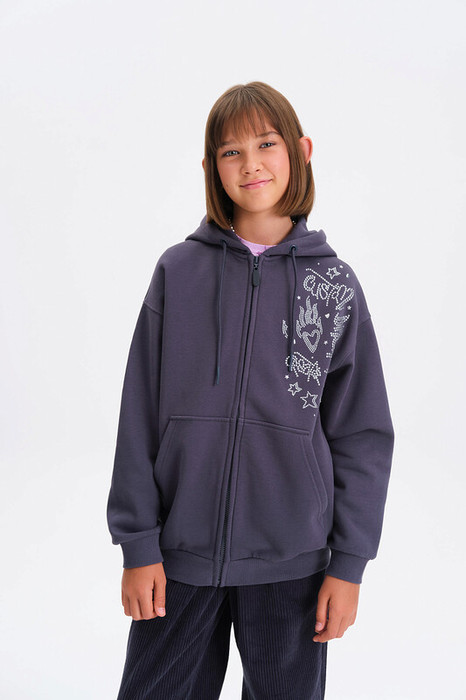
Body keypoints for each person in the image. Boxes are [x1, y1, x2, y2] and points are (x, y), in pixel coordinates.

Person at [106, 81, 395, 699]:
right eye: (231, 151)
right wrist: (137, 544)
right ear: (211, 167)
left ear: (300, 151)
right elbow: (139, 415)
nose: (250, 163)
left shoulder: (333, 287)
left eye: (266, 144)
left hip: (294, 562)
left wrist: (349, 566)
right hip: (178, 558)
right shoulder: (178, 272)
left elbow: (361, 434)